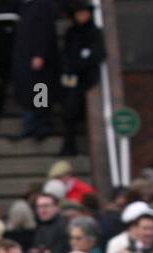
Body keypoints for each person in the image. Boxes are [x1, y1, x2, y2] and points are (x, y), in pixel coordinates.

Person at [58, 2, 104, 157]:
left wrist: (81, 63)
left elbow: (98, 54)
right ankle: (69, 145)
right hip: (71, 78)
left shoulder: (94, 33)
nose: (81, 17)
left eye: (84, 13)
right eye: (78, 14)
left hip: (86, 78)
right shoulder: (72, 33)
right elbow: (66, 54)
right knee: (68, 110)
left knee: (80, 110)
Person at [12, 0, 58, 141]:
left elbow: (45, 30)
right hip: (26, 58)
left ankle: (42, 125)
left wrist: (40, 54)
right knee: (28, 93)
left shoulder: (43, 5)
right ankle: (30, 125)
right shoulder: (25, 6)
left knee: (41, 90)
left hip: (39, 59)